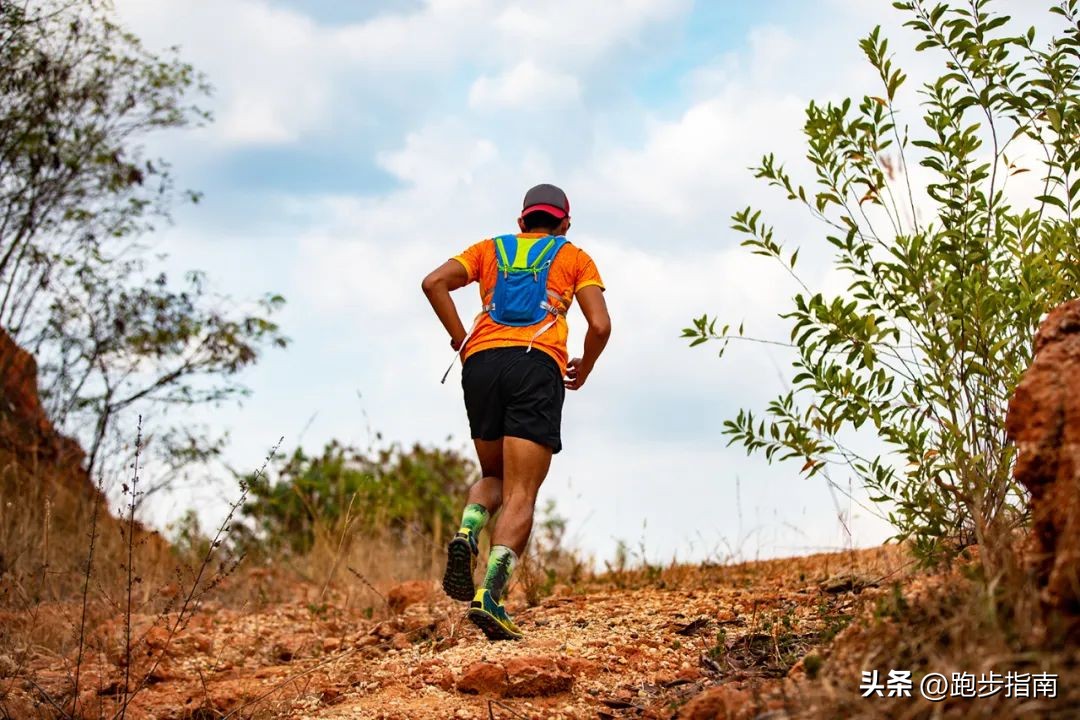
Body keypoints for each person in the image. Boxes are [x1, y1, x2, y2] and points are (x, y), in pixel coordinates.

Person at [421, 183, 611, 640]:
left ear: (521, 220)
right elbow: (600, 324)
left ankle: (468, 530)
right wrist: (585, 366)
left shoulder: (489, 249)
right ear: (563, 223)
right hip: (534, 363)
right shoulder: (574, 257)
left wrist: (460, 337)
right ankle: (490, 597)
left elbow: (433, 283)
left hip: (481, 364)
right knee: (522, 490)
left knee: (496, 479)